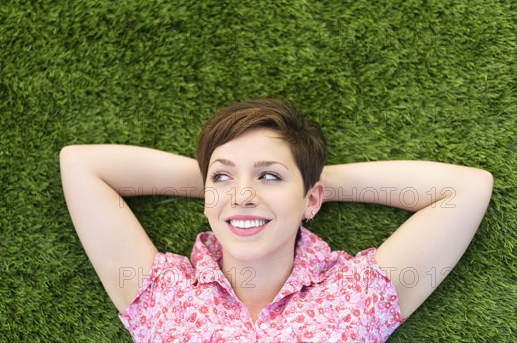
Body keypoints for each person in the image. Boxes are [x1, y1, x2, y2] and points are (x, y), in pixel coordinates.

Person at [60, 98, 493, 342]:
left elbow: (465, 190)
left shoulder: (357, 295)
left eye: (269, 176)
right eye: (222, 175)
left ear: (312, 199)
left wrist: (307, 183)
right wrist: (234, 189)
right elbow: (81, 165)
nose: (244, 195)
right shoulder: (160, 294)